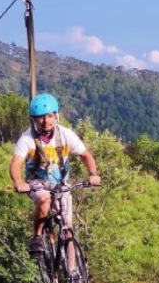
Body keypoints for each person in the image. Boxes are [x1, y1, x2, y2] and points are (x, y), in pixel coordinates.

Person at [10, 93, 101, 254]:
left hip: (61, 184)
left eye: (50, 116)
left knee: (68, 231)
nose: (46, 121)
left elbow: (86, 155)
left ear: (56, 116)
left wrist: (93, 174)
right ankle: (37, 238)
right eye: (40, 118)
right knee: (44, 199)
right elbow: (15, 164)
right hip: (37, 183)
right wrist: (18, 182)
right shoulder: (27, 139)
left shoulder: (65, 134)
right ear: (34, 119)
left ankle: (74, 274)